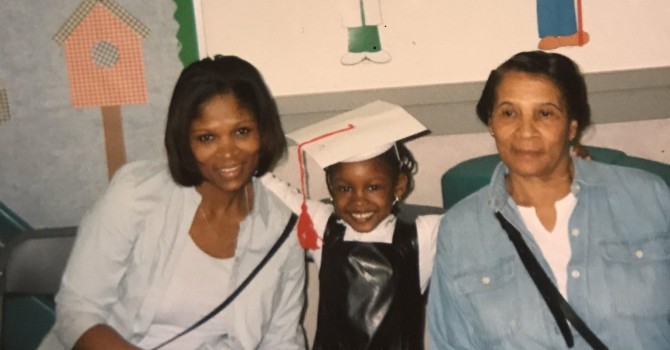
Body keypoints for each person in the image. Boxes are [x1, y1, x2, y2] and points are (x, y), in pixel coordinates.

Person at [38, 55, 306, 350]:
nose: (228, 153)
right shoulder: (136, 194)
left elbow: (281, 342)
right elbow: (77, 312)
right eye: (207, 138)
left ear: (263, 131)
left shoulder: (284, 233)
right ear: (185, 142)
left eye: (242, 132)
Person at [428, 50, 670, 349]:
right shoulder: (460, 230)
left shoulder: (649, 198)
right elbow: (449, 343)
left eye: (545, 113)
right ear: (491, 124)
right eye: (509, 113)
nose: (526, 132)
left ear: (571, 126)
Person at [263, 100, 441, 349]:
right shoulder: (325, 228)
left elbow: (479, 219)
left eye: (373, 187)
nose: (359, 201)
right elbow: (272, 190)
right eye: (345, 188)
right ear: (331, 189)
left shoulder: (423, 236)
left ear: (398, 186)